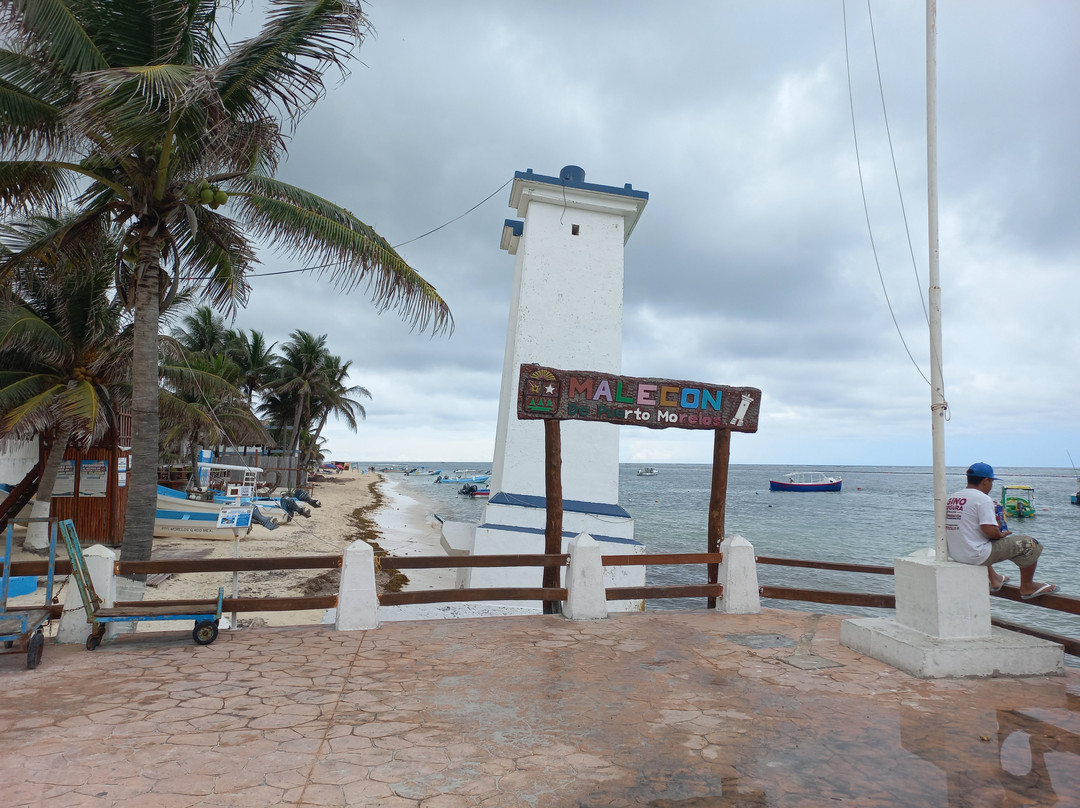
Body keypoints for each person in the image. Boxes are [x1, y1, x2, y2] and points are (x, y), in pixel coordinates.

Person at [945, 462, 1058, 599]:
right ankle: (1028, 586)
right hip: (974, 555)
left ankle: (994, 579)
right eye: (991, 481)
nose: (991, 485)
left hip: (957, 553)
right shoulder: (983, 499)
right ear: (986, 481)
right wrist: (1000, 533)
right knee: (1030, 544)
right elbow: (990, 532)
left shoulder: (953, 497)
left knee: (979, 541)